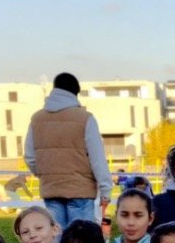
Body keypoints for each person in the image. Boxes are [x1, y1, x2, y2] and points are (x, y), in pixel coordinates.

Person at [24, 72, 111, 228]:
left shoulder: (36, 119)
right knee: (81, 239)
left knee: (56, 239)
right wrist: (105, 189)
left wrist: (46, 174)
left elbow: (30, 157)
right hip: (81, 190)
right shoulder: (85, 118)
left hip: (51, 189)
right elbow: (97, 158)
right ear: (76, 93)